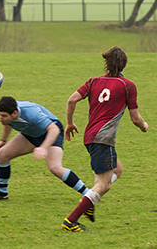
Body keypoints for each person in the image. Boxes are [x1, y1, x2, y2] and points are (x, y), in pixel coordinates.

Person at [61, 46, 148, 232]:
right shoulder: (128, 86)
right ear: (124, 64)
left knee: (117, 169)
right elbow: (135, 119)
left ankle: (89, 200)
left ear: (106, 64)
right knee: (103, 185)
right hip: (103, 139)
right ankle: (71, 221)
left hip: (89, 136)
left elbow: (71, 100)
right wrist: (144, 126)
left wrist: (69, 123)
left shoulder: (93, 82)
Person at [0, 96, 89, 202]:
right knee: (2, 154)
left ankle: (89, 195)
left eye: (3, 115)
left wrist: (44, 147)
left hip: (50, 133)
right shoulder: (9, 113)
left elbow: (54, 129)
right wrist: (3, 140)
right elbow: (8, 122)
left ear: (15, 113)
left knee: (55, 167)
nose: (0, 119)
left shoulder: (31, 112)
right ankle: (2, 193)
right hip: (31, 134)